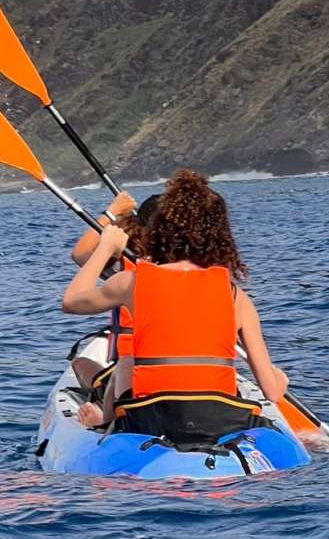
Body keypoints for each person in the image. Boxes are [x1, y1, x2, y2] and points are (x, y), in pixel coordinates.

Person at [62, 170, 288, 438]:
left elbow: (71, 301)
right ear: (219, 234)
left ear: (160, 229)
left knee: (129, 358)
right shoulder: (235, 295)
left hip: (150, 417)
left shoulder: (131, 282)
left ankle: (105, 418)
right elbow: (272, 391)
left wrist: (106, 248)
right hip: (219, 417)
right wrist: (280, 379)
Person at [66, 192, 159, 397]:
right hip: (170, 367)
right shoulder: (194, 268)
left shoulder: (125, 274)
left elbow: (80, 254)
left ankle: (104, 398)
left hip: (131, 366)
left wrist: (111, 212)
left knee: (81, 363)